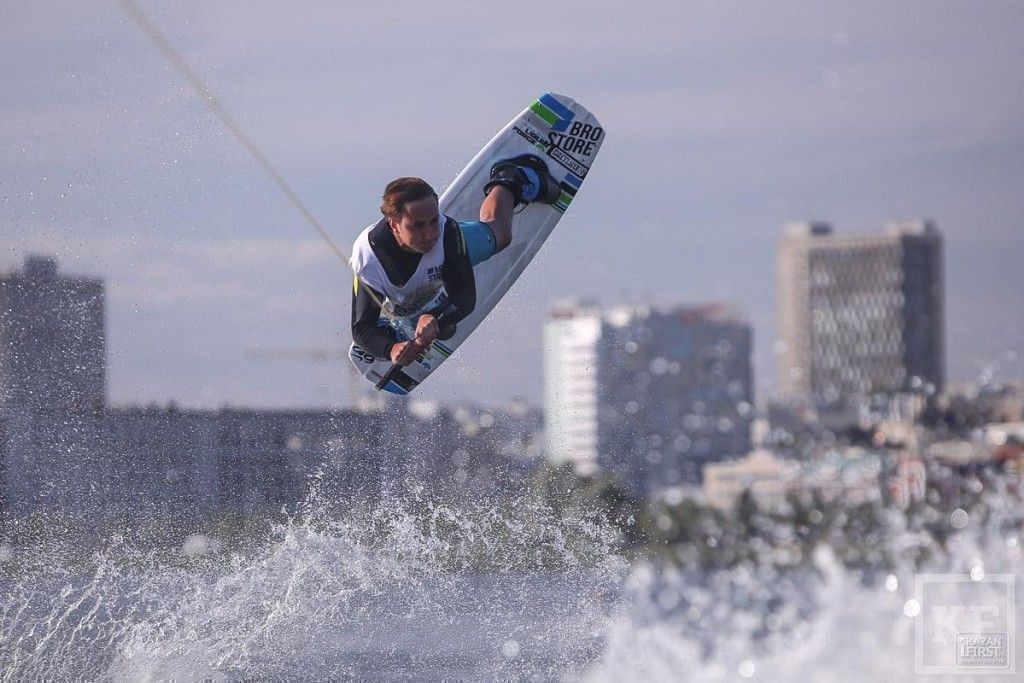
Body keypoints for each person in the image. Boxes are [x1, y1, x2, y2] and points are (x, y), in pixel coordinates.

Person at [350, 154, 561, 367]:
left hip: (448, 257)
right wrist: (392, 349)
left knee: (502, 234)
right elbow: (361, 328)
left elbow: (465, 298)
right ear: (394, 225)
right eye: (418, 225)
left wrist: (434, 317)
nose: (430, 233)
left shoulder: (445, 233)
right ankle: (409, 314)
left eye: (433, 221)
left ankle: (509, 177)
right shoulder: (369, 260)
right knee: (427, 328)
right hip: (409, 290)